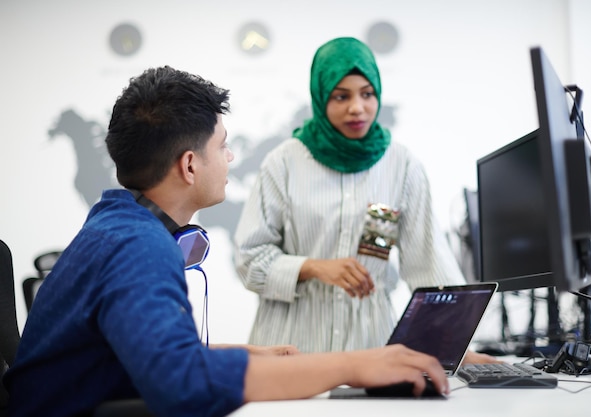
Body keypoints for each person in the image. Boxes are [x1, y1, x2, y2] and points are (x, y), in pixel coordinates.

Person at [4, 66, 452, 417]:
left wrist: (237, 353)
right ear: (190, 166)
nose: (231, 157)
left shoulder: (115, 225)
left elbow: (125, 354)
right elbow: (181, 385)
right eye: (223, 146)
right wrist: (354, 365)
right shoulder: (139, 246)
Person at [234, 37, 495, 364]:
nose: (357, 108)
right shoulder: (283, 162)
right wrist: (313, 267)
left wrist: (457, 347)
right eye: (341, 96)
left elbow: (430, 266)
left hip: (369, 348)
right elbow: (249, 259)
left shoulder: (401, 165)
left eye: (367, 94)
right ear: (320, 97)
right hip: (291, 346)